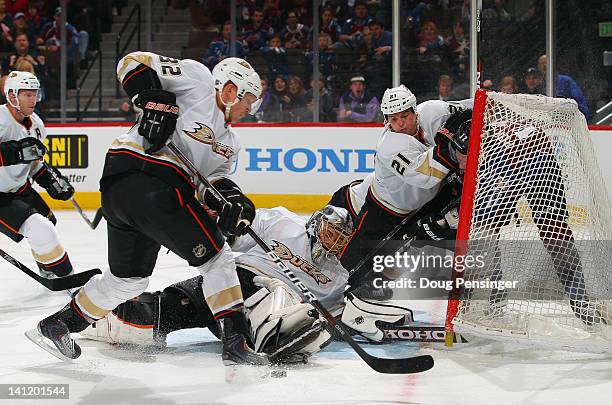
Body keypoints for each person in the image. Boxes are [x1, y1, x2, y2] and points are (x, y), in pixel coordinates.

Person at [32, 53, 269, 369]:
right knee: (217, 258)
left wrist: (234, 202)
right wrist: (154, 102)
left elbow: (211, 183)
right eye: (248, 99)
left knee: (128, 281)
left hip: (131, 193)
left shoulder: (229, 142)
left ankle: (59, 324)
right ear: (229, 89)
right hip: (142, 176)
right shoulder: (197, 78)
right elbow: (132, 62)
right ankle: (236, 342)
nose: (250, 109)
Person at [78, 206, 414, 358]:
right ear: (316, 224)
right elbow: (237, 233)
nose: (334, 242)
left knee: (282, 295)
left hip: (259, 314)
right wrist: (227, 224)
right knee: (151, 318)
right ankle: (92, 318)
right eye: (332, 233)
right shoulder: (283, 222)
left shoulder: (339, 277)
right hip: (230, 287)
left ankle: (274, 331)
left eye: (342, 238)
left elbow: (333, 318)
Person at [330, 84, 473, 288]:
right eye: (393, 119)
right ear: (386, 120)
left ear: (415, 111)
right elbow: (427, 176)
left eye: (404, 116)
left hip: (424, 204)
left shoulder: (434, 111)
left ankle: (379, 291)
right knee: (357, 259)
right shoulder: (390, 145)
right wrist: (453, 145)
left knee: (400, 260)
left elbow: (471, 108)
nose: (400, 123)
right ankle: (338, 294)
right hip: (385, 209)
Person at [0, 71, 75, 278]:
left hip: (21, 189)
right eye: (27, 95)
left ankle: (45, 266)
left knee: (48, 223)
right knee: (41, 228)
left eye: (35, 94)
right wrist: (14, 151)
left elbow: (34, 163)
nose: (33, 99)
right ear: (13, 96)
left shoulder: (37, 125)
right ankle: (67, 278)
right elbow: (19, 152)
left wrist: (50, 179)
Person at [537, 54, 589, 118]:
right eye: (542, 64)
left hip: (567, 123)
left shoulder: (566, 81)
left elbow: (580, 104)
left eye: (546, 62)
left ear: (553, 64)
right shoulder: (539, 84)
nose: (544, 65)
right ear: (538, 66)